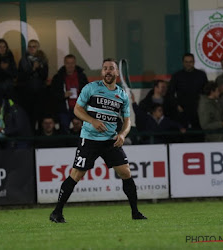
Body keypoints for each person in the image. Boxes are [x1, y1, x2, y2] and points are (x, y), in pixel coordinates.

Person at [49, 58, 147, 223]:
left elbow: (127, 120)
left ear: (116, 72)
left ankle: (135, 212)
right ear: (102, 72)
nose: (108, 71)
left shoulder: (121, 94)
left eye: (111, 68)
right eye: (105, 68)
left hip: (110, 140)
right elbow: (77, 109)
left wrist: (122, 134)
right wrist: (92, 121)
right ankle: (56, 212)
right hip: (90, 139)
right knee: (76, 174)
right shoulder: (91, 88)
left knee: (126, 172)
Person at [168, 53, 208, 131]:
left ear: (194, 62)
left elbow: (206, 92)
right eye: (186, 62)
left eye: (190, 62)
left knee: (199, 134)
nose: (188, 64)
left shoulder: (201, 75)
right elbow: (170, 93)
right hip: (182, 111)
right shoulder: (176, 76)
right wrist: (177, 105)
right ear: (183, 62)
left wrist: (204, 106)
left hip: (198, 110)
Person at [50, 54, 89, 134]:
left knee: (82, 127)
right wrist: (63, 95)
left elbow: (89, 92)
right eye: (68, 63)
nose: (70, 65)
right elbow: (52, 94)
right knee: (64, 125)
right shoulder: (58, 78)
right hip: (64, 109)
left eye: (72, 63)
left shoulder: (81, 77)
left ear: (75, 64)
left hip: (79, 108)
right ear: (64, 64)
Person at [17, 39, 49, 131]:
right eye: (30, 46)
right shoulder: (23, 61)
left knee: (40, 118)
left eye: (34, 46)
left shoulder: (43, 60)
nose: (31, 49)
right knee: (29, 119)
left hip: (40, 94)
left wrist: (38, 68)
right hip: (27, 95)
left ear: (37, 48)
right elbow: (20, 77)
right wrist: (33, 69)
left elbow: (45, 76)